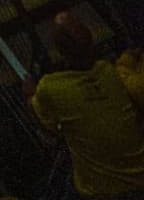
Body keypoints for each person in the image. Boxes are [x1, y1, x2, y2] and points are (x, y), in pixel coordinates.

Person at [28, 12, 144, 198]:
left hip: (100, 192)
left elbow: (46, 124)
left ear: (60, 50)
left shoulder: (51, 88)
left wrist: (29, 94)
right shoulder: (109, 72)